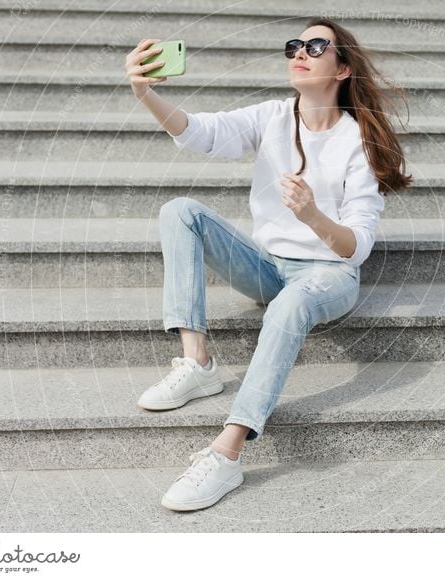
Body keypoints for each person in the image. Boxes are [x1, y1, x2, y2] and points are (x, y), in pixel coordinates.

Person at [124, 17, 412, 512]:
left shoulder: (359, 141)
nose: (301, 51)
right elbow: (200, 133)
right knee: (181, 212)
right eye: (294, 44)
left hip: (327, 275)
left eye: (317, 45)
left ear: (343, 68)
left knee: (292, 303)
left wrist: (312, 215)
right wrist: (144, 93)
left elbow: (356, 246)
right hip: (269, 266)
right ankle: (198, 362)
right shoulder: (273, 117)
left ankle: (227, 452)